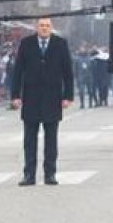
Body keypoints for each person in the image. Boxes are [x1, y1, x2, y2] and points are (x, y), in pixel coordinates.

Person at [10, 17, 74, 186]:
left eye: (47, 26)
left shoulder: (60, 44)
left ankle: (50, 174)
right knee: (29, 140)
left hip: (52, 98)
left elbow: (68, 71)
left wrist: (68, 96)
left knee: (51, 140)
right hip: (31, 98)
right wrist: (16, 95)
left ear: (51, 28)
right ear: (36, 28)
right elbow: (18, 71)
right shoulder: (26, 44)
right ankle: (29, 174)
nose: (44, 28)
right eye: (41, 26)